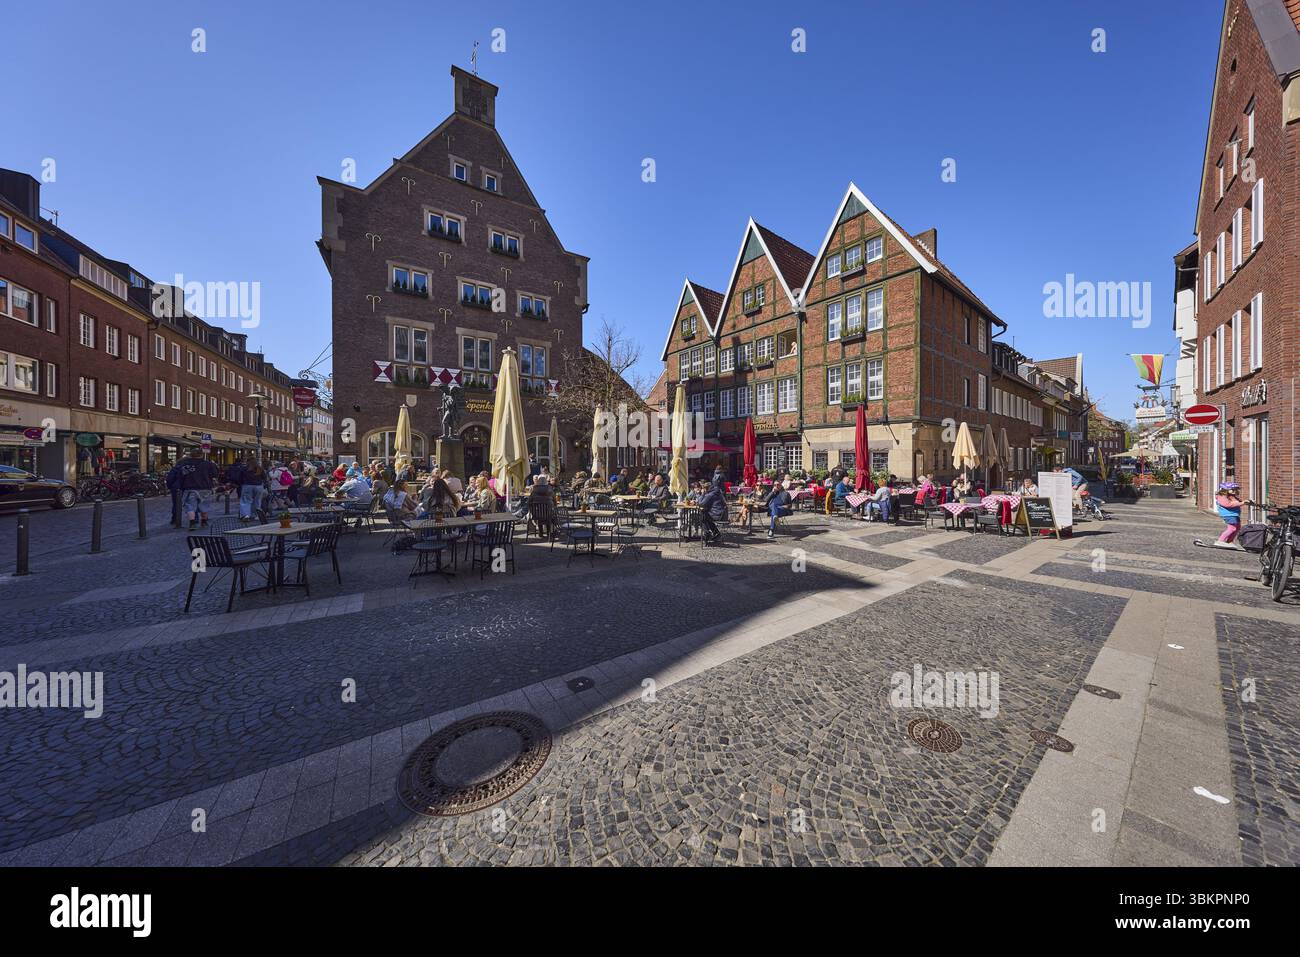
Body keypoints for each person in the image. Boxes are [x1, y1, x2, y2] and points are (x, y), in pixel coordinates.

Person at [177, 448, 220, 530]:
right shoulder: (208, 464)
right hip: (205, 487)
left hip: (190, 487)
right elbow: (214, 474)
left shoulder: (186, 464)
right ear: (201, 454)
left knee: (190, 505)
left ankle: (192, 523)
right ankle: (204, 521)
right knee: (204, 505)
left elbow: (181, 475)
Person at [1214, 482, 1243, 549]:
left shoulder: (1231, 496)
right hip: (1229, 515)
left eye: (1236, 489)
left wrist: (1244, 502)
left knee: (1237, 528)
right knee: (1232, 528)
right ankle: (1220, 541)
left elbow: (1237, 502)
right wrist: (1241, 503)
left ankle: (1229, 541)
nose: (1236, 491)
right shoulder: (1221, 496)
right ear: (1226, 490)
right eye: (1234, 489)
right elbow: (1228, 504)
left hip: (1234, 514)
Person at [697, 480, 727, 544]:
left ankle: (707, 533)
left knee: (702, 515)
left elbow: (701, 504)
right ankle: (716, 533)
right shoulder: (717, 492)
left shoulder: (710, 494)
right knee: (705, 515)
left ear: (706, 488)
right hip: (723, 514)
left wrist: (702, 494)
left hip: (717, 515)